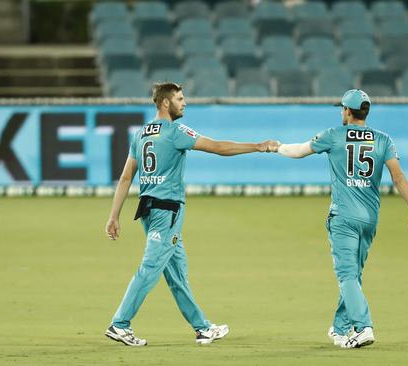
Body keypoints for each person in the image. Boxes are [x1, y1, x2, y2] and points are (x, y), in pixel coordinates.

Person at [103, 82, 279, 346]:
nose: (185, 103)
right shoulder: (175, 131)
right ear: (165, 103)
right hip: (167, 211)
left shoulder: (141, 134)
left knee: (176, 274)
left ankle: (202, 327)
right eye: (180, 98)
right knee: (150, 268)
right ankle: (120, 324)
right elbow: (218, 147)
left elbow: (127, 175)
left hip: (149, 210)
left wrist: (114, 215)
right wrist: (258, 146)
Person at [276, 89, 408, 348]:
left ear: (346, 111)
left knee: (346, 275)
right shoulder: (383, 139)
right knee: (353, 275)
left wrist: (275, 147)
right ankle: (341, 328)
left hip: (343, 216)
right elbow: (398, 177)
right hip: (369, 219)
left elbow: (298, 151)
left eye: (341, 108)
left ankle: (364, 327)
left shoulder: (334, 135)